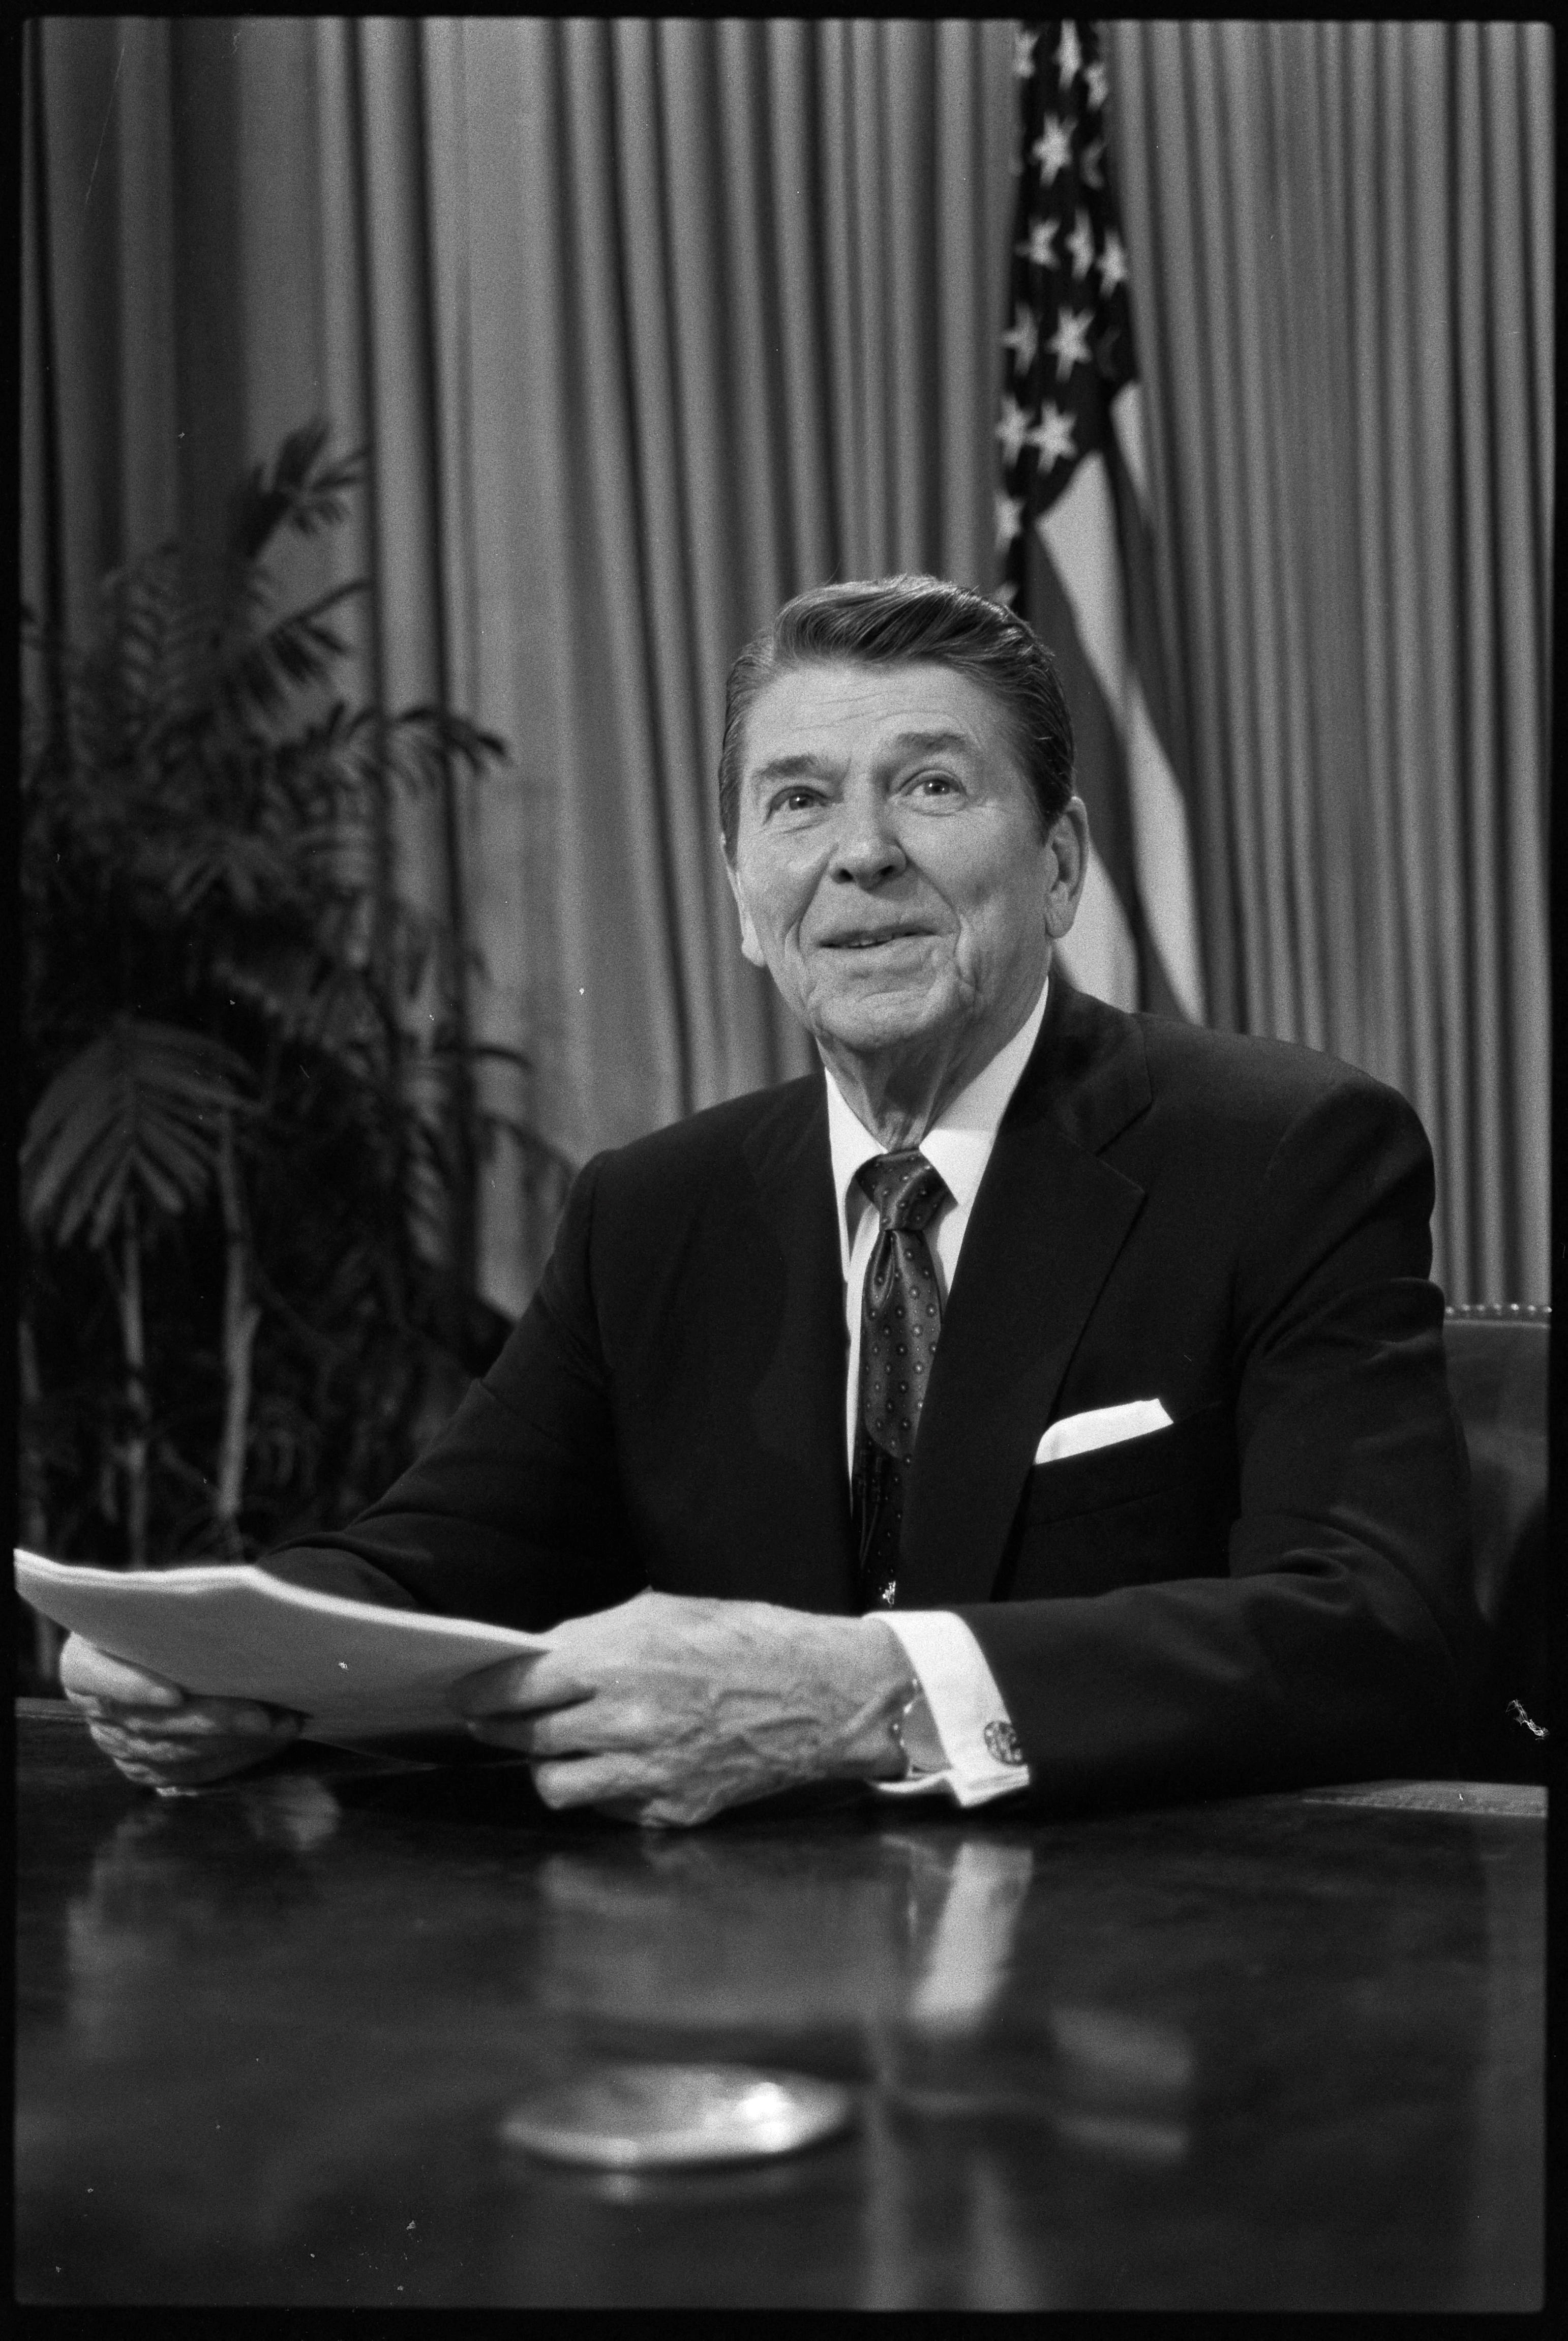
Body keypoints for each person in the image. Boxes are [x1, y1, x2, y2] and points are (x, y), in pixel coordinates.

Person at [64, 576, 1480, 1826]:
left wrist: (874, 1695)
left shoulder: (1282, 1149)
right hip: (747, 1988)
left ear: (1056, 866)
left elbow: (1370, 1630)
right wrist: (216, 1659)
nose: (858, 851)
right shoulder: (652, 1209)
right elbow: (440, 1556)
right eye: (797, 800)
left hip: (1158, 1988)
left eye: (928, 785)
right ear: (741, 891)